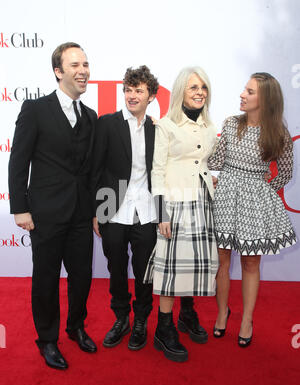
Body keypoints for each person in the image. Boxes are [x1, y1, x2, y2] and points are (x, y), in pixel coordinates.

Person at [8, 42, 98, 370]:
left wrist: (97, 212)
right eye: (75, 65)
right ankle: (47, 339)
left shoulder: (90, 117)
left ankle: (75, 327)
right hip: (45, 213)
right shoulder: (35, 109)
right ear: (59, 71)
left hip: (80, 213)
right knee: (45, 278)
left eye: (86, 64)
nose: (83, 70)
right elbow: (18, 162)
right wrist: (20, 207)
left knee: (82, 276)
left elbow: (91, 171)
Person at [208, 72, 297, 347]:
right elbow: (215, 160)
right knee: (222, 260)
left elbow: (284, 173)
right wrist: (208, 173)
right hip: (225, 195)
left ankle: (246, 319)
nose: (242, 95)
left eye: (249, 91)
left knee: (250, 262)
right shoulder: (231, 123)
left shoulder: (278, 133)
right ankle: (222, 313)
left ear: (265, 99)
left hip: (254, 201)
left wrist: (261, 191)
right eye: (244, 90)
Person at [144, 66, 219, 362]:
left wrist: (209, 177)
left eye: (203, 87)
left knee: (193, 263)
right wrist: (162, 213)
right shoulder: (166, 126)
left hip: (201, 200)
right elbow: (157, 171)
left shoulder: (210, 127)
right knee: (171, 267)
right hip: (174, 202)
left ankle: (187, 314)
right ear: (180, 92)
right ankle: (164, 328)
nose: (200, 92)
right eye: (193, 87)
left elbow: (202, 161)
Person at [93, 66, 159, 351]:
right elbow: (95, 168)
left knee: (145, 270)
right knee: (115, 267)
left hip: (147, 210)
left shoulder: (158, 129)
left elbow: (162, 174)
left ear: (151, 96)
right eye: (128, 90)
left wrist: (164, 214)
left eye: (139, 91)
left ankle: (142, 319)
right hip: (112, 207)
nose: (132, 96)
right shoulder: (106, 123)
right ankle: (121, 318)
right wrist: (95, 210)